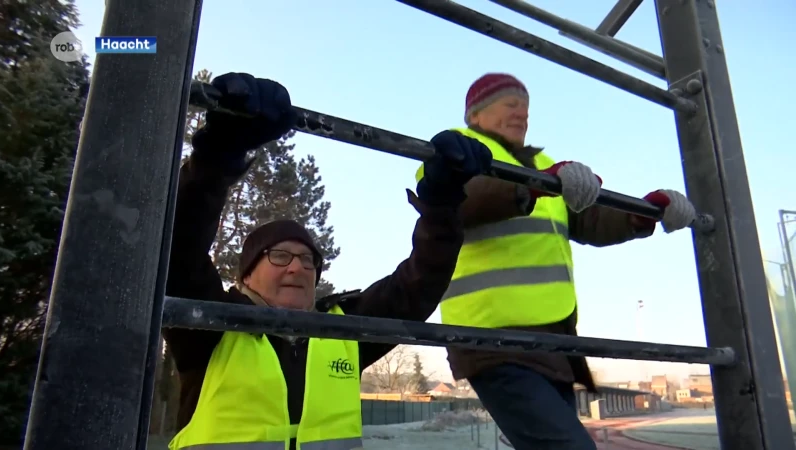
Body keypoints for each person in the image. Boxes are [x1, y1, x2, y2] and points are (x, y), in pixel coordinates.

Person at [163, 72, 494, 450]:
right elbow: (178, 246)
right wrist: (217, 155)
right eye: (280, 256)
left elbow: (416, 287)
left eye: (308, 261)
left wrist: (442, 207)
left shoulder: (340, 334)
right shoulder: (210, 325)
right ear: (247, 276)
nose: (297, 267)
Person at [416, 73, 697, 450]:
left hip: (554, 342)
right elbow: (459, 199)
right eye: (511, 103)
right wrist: (533, 184)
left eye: (527, 107)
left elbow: (590, 219)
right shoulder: (453, 151)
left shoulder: (544, 164)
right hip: (492, 339)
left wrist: (643, 213)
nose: (523, 113)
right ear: (477, 114)